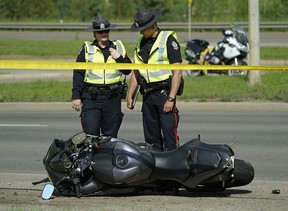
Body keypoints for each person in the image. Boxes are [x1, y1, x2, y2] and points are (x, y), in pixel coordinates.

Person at [127, 9, 183, 151]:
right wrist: (130, 94)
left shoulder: (168, 39)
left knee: (169, 133)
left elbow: (177, 72)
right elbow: (136, 71)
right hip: (147, 95)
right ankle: (157, 167)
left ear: (153, 26)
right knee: (151, 138)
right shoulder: (141, 42)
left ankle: (174, 168)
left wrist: (171, 99)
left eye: (143, 29)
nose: (140, 33)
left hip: (164, 94)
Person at [72, 15, 131, 138]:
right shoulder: (87, 48)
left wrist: (119, 58)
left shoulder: (118, 46)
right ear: (94, 33)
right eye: (100, 32)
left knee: (110, 137)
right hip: (92, 98)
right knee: (91, 135)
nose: (104, 34)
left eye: (106, 31)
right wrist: (76, 96)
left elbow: (128, 70)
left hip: (112, 98)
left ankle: (107, 157)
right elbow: (78, 73)